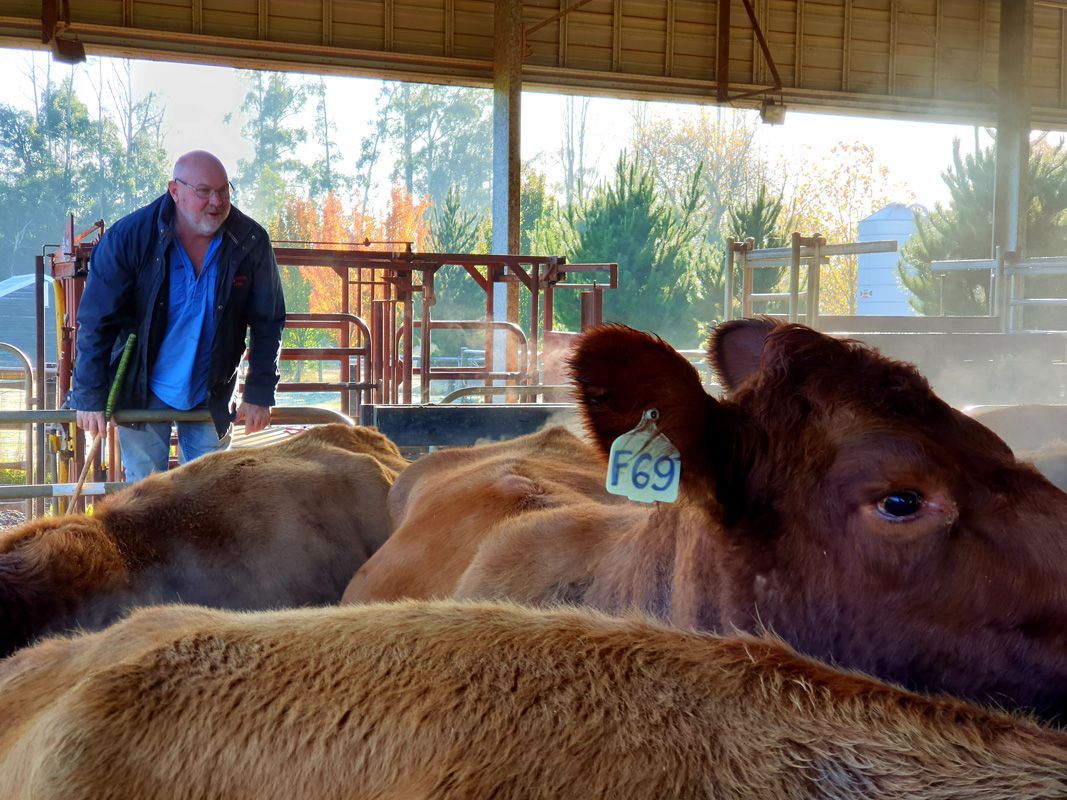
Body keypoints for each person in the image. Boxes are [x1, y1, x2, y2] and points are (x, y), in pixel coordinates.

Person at [71, 150, 286, 484]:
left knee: (207, 496)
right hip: (142, 385)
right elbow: (97, 321)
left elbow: (268, 320)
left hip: (211, 389)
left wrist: (259, 392)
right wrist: (89, 395)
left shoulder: (250, 241)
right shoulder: (129, 238)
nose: (216, 202)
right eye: (204, 192)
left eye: (224, 191)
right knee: (145, 495)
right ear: (175, 191)